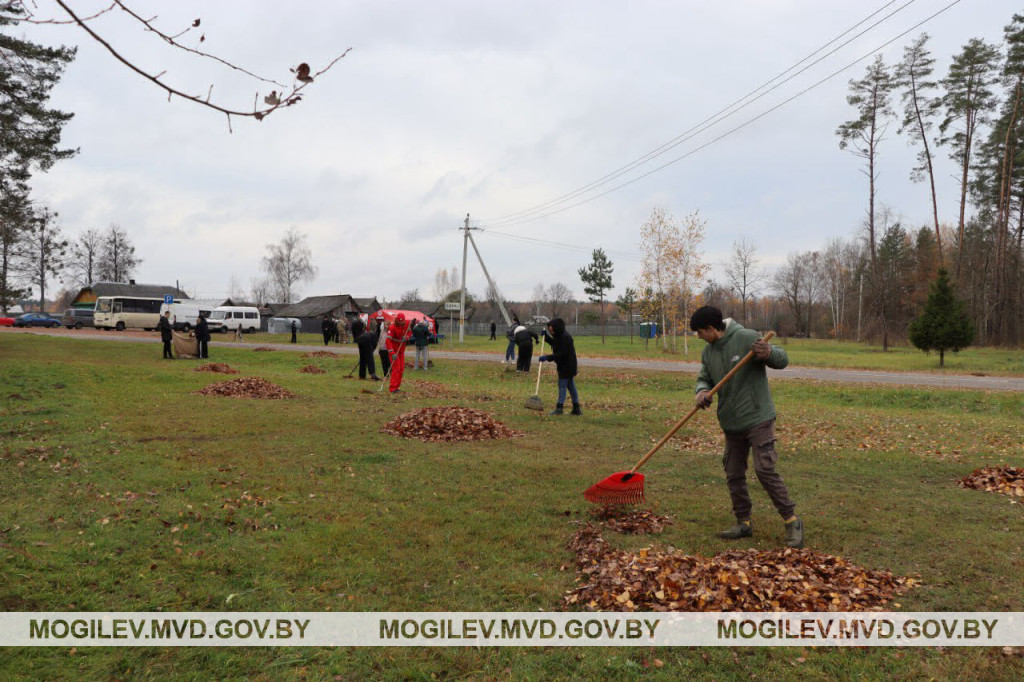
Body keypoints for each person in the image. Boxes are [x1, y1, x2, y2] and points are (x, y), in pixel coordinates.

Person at [689, 305, 802, 549]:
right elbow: (703, 377)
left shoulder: (747, 337)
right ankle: (744, 523)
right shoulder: (708, 352)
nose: (698, 337)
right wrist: (702, 392)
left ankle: (792, 521)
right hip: (731, 421)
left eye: (699, 332)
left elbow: (782, 359)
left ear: (711, 328)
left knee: (764, 470)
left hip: (757, 416)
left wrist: (768, 352)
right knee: (733, 473)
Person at [539, 317, 580, 415]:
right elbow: (555, 343)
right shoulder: (559, 335)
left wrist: (547, 357)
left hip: (567, 365)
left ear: (557, 328)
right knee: (571, 386)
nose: (551, 332)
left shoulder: (565, 337)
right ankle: (576, 409)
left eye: (551, 330)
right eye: (549, 330)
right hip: (565, 365)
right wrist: (547, 338)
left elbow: (561, 353)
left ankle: (559, 408)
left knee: (562, 385)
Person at [385, 313, 412, 393]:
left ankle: (397, 387)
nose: (400, 323)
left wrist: (407, 337)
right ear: (396, 320)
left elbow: (409, 333)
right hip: (394, 351)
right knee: (396, 369)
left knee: (401, 369)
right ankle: (392, 388)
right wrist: (392, 352)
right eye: (399, 322)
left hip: (401, 351)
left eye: (402, 322)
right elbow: (388, 341)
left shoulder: (407, 324)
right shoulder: (392, 327)